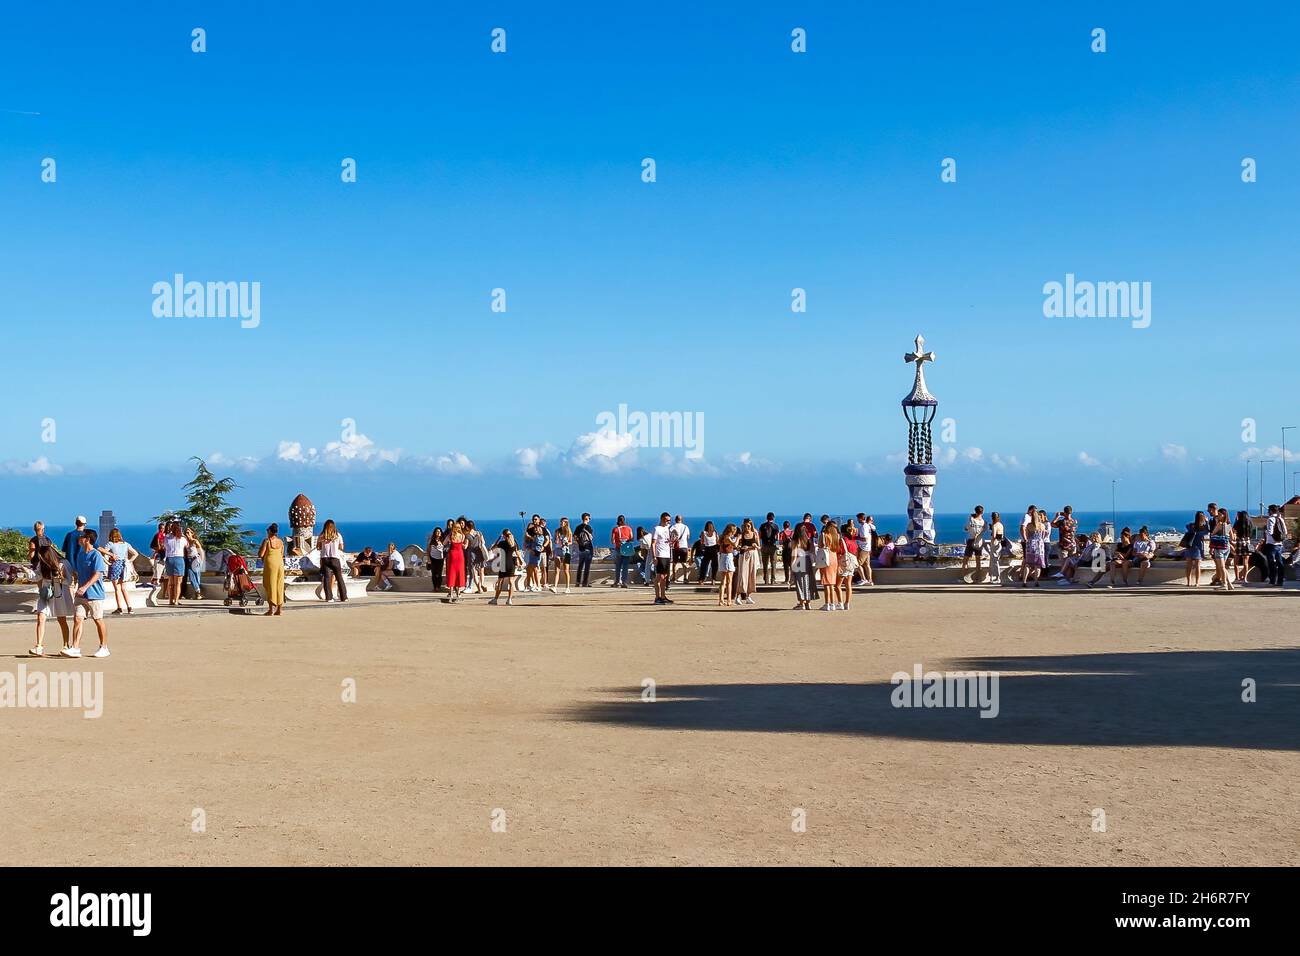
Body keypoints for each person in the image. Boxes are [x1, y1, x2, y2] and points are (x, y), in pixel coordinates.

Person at [70, 529, 110, 658]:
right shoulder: (80, 555)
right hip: (81, 594)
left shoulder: (96, 555)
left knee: (98, 619)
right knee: (77, 619)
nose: (79, 538)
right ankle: (75, 647)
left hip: (94, 594)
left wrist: (85, 587)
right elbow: (79, 572)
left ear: (87, 539)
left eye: (81, 537)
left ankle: (104, 647)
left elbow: (98, 573)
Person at [31, 544, 73, 657]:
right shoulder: (42, 563)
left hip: (59, 593)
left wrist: (59, 578)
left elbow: (69, 581)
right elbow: (37, 577)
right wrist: (27, 571)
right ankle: (39, 646)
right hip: (46, 593)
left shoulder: (63, 563)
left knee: (61, 619)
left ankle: (66, 645)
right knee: (41, 617)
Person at [100, 528, 139, 614]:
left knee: (117, 588)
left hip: (115, 565)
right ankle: (129, 608)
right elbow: (135, 554)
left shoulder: (111, 544)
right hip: (124, 566)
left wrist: (108, 562)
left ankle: (119, 608)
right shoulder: (126, 544)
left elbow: (102, 551)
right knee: (124, 588)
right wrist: (129, 561)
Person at [258, 523, 285, 615]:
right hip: (280, 563)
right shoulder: (281, 542)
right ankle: (279, 609)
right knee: (279, 585)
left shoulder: (267, 541)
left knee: (270, 585)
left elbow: (261, 554)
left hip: (270, 563)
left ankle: (271, 610)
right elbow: (281, 554)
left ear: (269, 531)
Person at [318, 519, 348, 602]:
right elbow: (341, 547)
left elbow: (318, 547)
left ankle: (329, 598)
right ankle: (343, 597)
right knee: (339, 578)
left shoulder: (321, 536)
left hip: (325, 559)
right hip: (335, 559)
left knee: (327, 578)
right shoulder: (338, 535)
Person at [650, 513, 676, 605]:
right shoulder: (657, 529)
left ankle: (663, 596)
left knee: (665, 577)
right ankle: (657, 597)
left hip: (667, 554)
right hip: (660, 555)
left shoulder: (668, 529)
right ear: (662, 519)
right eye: (666, 520)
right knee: (659, 576)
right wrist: (654, 556)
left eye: (669, 520)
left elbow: (671, 540)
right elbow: (653, 543)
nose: (668, 522)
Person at [733, 518, 760, 605]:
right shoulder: (741, 534)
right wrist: (741, 546)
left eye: (748, 526)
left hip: (752, 554)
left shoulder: (755, 534)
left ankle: (748, 596)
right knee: (742, 576)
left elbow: (759, 547)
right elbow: (736, 546)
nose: (746, 527)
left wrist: (755, 545)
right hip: (744, 555)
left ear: (751, 525)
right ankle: (737, 596)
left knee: (751, 575)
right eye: (745, 526)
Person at [489, 530, 519, 605]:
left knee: (500, 582)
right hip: (511, 563)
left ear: (504, 536)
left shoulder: (502, 543)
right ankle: (509, 599)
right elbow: (517, 553)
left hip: (503, 563)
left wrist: (499, 538)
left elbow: (492, 548)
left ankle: (495, 599)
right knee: (511, 582)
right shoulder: (514, 543)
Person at [1260, 504, 1288, 587]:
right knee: (1280, 563)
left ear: (1271, 511)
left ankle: (1272, 580)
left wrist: (1266, 534)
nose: (1268, 512)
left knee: (1271, 563)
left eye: (1268, 510)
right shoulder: (1281, 519)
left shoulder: (1270, 519)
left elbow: (1270, 531)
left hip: (1271, 544)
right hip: (1279, 544)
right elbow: (1285, 532)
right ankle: (1280, 581)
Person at [162, 521, 188, 606]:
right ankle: (176, 600)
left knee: (171, 581)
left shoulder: (167, 537)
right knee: (178, 582)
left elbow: (164, 546)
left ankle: (170, 600)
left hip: (169, 559)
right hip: (179, 559)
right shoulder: (183, 539)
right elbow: (187, 546)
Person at [1021, 510, 1048, 587]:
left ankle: (1024, 581)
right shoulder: (1042, 525)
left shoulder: (1029, 525)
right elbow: (1045, 535)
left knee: (1028, 564)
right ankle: (1036, 581)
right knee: (1038, 565)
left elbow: (1027, 535)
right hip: (1039, 545)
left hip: (1030, 545)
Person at [818, 521, 842, 610]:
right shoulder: (837, 536)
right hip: (834, 558)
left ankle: (827, 603)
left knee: (826, 583)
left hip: (826, 558)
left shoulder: (824, 535)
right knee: (832, 583)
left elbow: (820, 545)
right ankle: (833, 603)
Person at [1183, 511, 1210, 587]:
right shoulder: (1203, 528)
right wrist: (1207, 522)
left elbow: (1187, 526)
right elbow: (1207, 531)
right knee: (1198, 566)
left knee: (1189, 565)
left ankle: (1189, 582)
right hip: (1198, 547)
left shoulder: (1191, 526)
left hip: (1190, 546)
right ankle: (1197, 582)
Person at [1209, 512, 1234, 592]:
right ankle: (1229, 584)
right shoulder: (1229, 525)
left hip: (1219, 547)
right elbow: (1232, 538)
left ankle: (1224, 584)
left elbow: (1212, 535)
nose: (1218, 516)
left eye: (1220, 514)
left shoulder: (1220, 524)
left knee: (1221, 567)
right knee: (1223, 567)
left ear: (1223, 515)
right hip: (1227, 547)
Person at [789, 527, 813, 610]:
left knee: (800, 583)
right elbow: (812, 552)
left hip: (799, 561)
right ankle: (808, 603)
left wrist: (792, 567)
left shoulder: (795, 541)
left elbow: (794, 556)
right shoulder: (808, 540)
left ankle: (802, 603)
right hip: (808, 561)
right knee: (807, 583)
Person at [445, 520, 467, 602]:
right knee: (459, 573)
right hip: (460, 556)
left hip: (452, 556)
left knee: (452, 573)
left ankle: (451, 593)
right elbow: (464, 546)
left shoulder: (450, 536)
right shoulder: (462, 536)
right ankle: (458, 593)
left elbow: (444, 543)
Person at [610, 516, 634, 588]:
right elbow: (632, 538)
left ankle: (617, 582)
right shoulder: (629, 528)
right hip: (626, 549)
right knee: (625, 566)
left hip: (618, 549)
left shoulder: (615, 529)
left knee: (618, 566)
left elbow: (612, 541)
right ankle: (624, 582)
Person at [717, 523, 738, 606]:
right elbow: (735, 545)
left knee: (723, 581)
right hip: (728, 557)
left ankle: (721, 600)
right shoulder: (727, 538)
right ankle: (729, 600)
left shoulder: (722, 537)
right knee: (729, 581)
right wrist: (738, 538)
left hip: (722, 557)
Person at [962, 505, 986, 577]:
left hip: (971, 541)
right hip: (979, 542)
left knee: (966, 560)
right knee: (978, 561)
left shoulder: (971, 521)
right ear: (982, 512)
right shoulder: (984, 523)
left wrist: (971, 518)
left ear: (975, 511)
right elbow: (984, 530)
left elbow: (966, 528)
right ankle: (978, 578)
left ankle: (964, 577)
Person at [1231, 511, 1254, 584]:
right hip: (1247, 542)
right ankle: (1245, 578)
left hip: (1239, 541)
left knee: (1236, 561)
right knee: (1246, 562)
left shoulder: (1238, 522)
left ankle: (1237, 578)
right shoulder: (1250, 523)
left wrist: (1236, 520)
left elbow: (1233, 530)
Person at [552, 517, 573, 594]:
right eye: (561, 522)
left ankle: (567, 587)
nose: (561, 523)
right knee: (557, 570)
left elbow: (571, 541)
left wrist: (567, 543)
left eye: (563, 522)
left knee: (566, 570)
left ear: (566, 523)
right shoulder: (557, 531)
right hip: (558, 550)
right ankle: (555, 587)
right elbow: (555, 540)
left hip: (566, 552)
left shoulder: (569, 532)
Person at [184, 527, 205, 600]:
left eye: (188, 532)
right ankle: (198, 592)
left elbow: (201, 551)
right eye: (186, 532)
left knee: (196, 576)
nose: (186, 534)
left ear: (192, 534)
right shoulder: (185, 542)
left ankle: (198, 593)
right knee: (191, 577)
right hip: (189, 560)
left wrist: (201, 561)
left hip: (195, 559)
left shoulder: (195, 541)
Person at [670, 515, 692, 586]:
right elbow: (688, 537)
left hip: (675, 547)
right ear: (681, 519)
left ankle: (674, 578)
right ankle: (685, 578)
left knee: (674, 563)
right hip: (684, 547)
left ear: (675, 520)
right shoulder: (686, 527)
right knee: (684, 563)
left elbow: (670, 536)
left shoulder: (672, 527)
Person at [574, 513, 595, 587]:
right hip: (588, 548)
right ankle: (585, 582)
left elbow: (575, 537)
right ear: (587, 519)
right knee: (587, 567)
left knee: (580, 566)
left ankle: (577, 582)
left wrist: (580, 543)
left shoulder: (578, 527)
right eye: (589, 518)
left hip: (581, 549)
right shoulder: (588, 527)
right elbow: (591, 538)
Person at [758, 513, 779, 585]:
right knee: (773, 564)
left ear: (766, 518)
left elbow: (759, 536)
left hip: (764, 546)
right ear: (773, 518)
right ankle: (773, 580)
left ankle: (766, 580)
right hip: (772, 546)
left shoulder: (762, 526)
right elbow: (777, 537)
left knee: (765, 564)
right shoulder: (775, 526)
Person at [986, 513, 1005, 584]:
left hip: (995, 543)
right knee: (995, 560)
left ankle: (997, 577)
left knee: (994, 561)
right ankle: (993, 576)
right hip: (1000, 543)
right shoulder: (1001, 524)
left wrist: (992, 543)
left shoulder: (994, 525)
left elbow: (994, 536)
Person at [425, 528, 445, 592]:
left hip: (440, 559)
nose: (438, 532)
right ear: (435, 532)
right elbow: (428, 550)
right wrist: (428, 559)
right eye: (437, 531)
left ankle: (438, 587)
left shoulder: (443, 540)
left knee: (439, 574)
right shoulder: (431, 540)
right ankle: (435, 587)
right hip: (433, 559)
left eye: (439, 531)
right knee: (434, 574)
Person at [779, 521, 794, 586]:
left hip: (785, 550)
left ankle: (786, 579)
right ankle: (792, 579)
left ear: (783, 526)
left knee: (786, 566)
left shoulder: (782, 533)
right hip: (791, 550)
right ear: (789, 526)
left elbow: (780, 542)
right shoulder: (792, 532)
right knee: (792, 565)